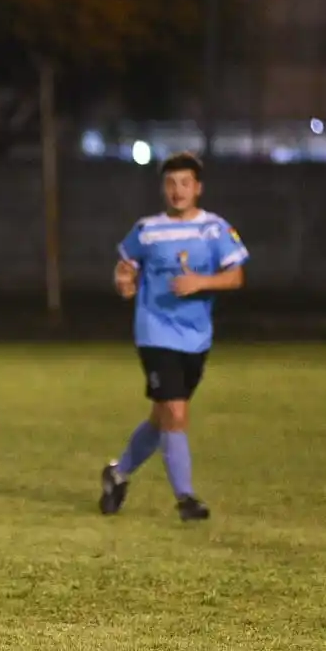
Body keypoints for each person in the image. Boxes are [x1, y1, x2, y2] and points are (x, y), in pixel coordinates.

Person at [100, 151, 249, 521]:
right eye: (170, 183)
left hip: (196, 338)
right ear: (162, 188)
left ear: (198, 188)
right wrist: (123, 281)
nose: (177, 190)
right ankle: (186, 498)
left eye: (185, 183)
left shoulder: (215, 229)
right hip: (154, 333)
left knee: (162, 417)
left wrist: (202, 281)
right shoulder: (147, 229)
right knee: (175, 411)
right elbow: (125, 267)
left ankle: (117, 475)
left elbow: (236, 276)